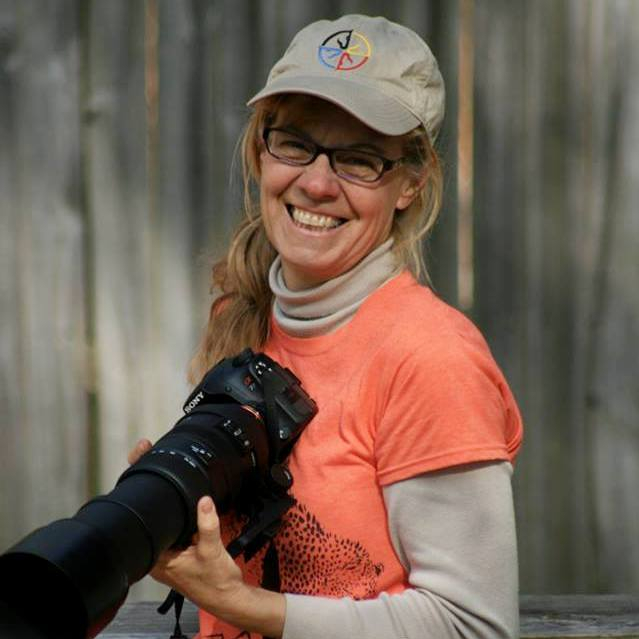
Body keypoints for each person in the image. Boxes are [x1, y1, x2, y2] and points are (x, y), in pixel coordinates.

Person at [129, 14, 523, 639]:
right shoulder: (240, 315)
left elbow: (473, 625)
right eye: (294, 143)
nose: (315, 183)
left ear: (410, 183)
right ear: (260, 151)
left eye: (359, 160)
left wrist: (243, 605)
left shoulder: (431, 359)